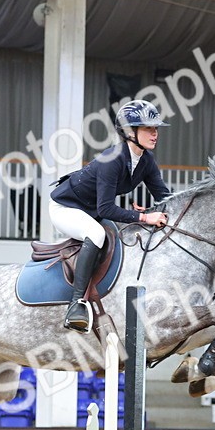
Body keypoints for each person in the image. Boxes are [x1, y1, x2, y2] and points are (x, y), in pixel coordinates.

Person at [49, 99, 172, 332]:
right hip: (65, 208)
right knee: (96, 234)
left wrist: (152, 212)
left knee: (123, 234)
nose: (155, 133)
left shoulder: (146, 160)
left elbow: (165, 197)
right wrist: (144, 218)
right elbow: (106, 209)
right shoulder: (112, 158)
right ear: (129, 132)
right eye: (148, 128)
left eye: (155, 128)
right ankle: (76, 304)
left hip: (91, 210)